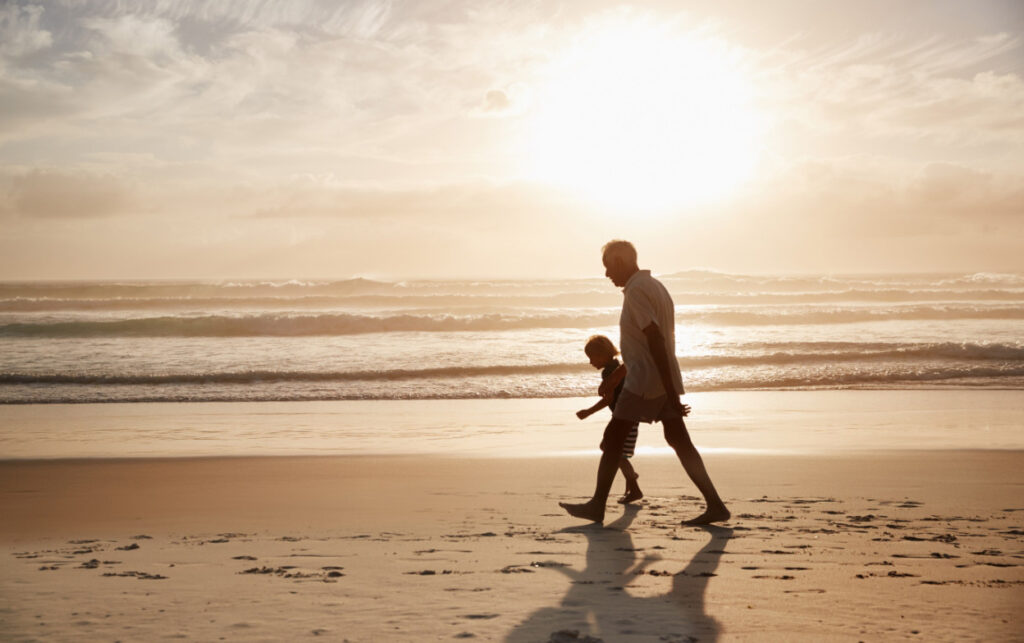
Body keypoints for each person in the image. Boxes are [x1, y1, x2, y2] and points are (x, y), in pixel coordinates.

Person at [560, 240, 730, 525]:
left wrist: (670, 390)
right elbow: (644, 344)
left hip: (644, 382)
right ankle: (715, 505)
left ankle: (597, 506)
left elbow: (654, 338)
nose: (606, 275)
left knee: (613, 439)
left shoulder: (637, 291)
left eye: (607, 268)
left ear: (618, 261)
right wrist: (624, 376)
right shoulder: (656, 287)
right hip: (658, 379)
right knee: (678, 440)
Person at [576, 335, 643, 504]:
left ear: (602, 354)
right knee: (611, 449)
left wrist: (588, 412)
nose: (590, 362)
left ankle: (633, 484)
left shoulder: (609, 372)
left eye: (592, 358)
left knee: (614, 451)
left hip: (624, 417)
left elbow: (608, 399)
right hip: (629, 416)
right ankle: (632, 480)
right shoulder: (618, 367)